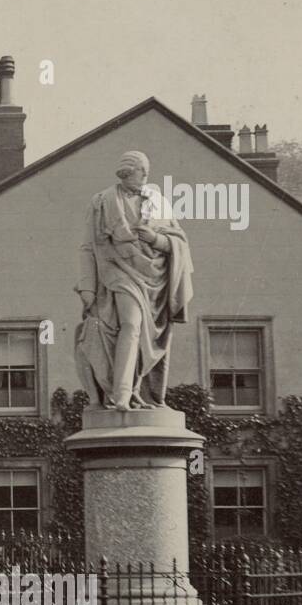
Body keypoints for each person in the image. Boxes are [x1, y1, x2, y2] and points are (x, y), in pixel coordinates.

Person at [74, 151, 194, 410]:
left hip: (156, 280)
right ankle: (122, 394)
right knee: (131, 324)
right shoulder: (102, 202)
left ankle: (140, 392)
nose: (146, 178)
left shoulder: (159, 202)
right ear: (127, 172)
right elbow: (87, 247)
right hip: (117, 271)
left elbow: (178, 242)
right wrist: (87, 288)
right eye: (142, 172)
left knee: (145, 337)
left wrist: (154, 239)